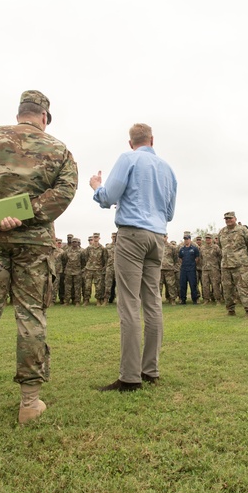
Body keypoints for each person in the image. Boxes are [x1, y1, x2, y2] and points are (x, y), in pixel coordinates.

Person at [0, 90, 78, 427]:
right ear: (44, 117)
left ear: (20, 112)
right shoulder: (59, 149)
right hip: (34, 243)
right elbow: (64, 192)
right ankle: (29, 403)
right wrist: (26, 213)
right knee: (31, 317)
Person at [91, 122, 177, 392]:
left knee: (129, 303)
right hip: (157, 237)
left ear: (131, 143)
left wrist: (96, 186)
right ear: (152, 139)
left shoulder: (127, 158)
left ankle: (130, 377)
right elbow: (170, 212)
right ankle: (150, 370)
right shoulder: (168, 169)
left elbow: (109, 197)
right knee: (152, 302)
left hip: (132, 234)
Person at [217, 211, 248, 317]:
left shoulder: (242, 230)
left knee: (244, 288)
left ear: (235, 218)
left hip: (240, 265)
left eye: (230, 218)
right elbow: (221, 247)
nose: (228, 220)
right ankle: (230, 310)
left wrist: (245, 258)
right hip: (226, 265)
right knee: (227, 290)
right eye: (226, 219)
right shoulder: (222, 232)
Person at [178, 232, 200, 304]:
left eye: (187, 239)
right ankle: (183, 300)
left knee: (193, 284)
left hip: (191, 269)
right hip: (184, 269)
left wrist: (192, 265)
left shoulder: (194, 248)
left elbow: (197, 258)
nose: (186, 240)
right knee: (183, 285)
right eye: (184, 239)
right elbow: (180, 259)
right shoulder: (182, 249)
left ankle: (194, 299)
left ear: (190, 239)